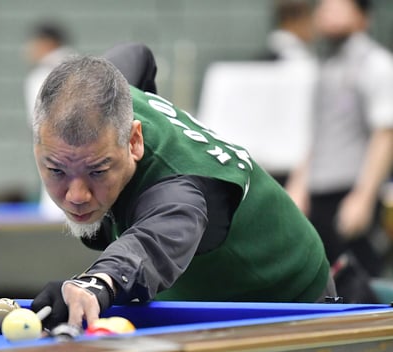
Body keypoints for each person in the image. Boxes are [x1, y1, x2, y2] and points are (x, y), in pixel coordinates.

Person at [29, 43, 336, 331]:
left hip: (289, 299)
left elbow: (149, 244)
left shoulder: (181, 192)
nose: (76, 195)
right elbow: (136, 54)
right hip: (205, 291)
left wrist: (97, 282)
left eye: (97, 171)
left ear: (134, 141)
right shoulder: (110, 93)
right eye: (56, 170)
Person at [286, 0, 393, 301]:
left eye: (337, 6)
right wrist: (299, 185)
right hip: (319, 194)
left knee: (361, 287)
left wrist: (363, 196)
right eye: (324, 7)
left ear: (362, 16)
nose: (325, 12)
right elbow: (318, 133)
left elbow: (385, 133)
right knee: (326, 288)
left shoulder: (376, 64)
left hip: (350, 192)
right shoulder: (326, 65)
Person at [23, 21, 74, 220]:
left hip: (59, 147)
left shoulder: (43, 74)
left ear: (47, 43)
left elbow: (40, 121)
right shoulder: (85, 68)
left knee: (57, 209)